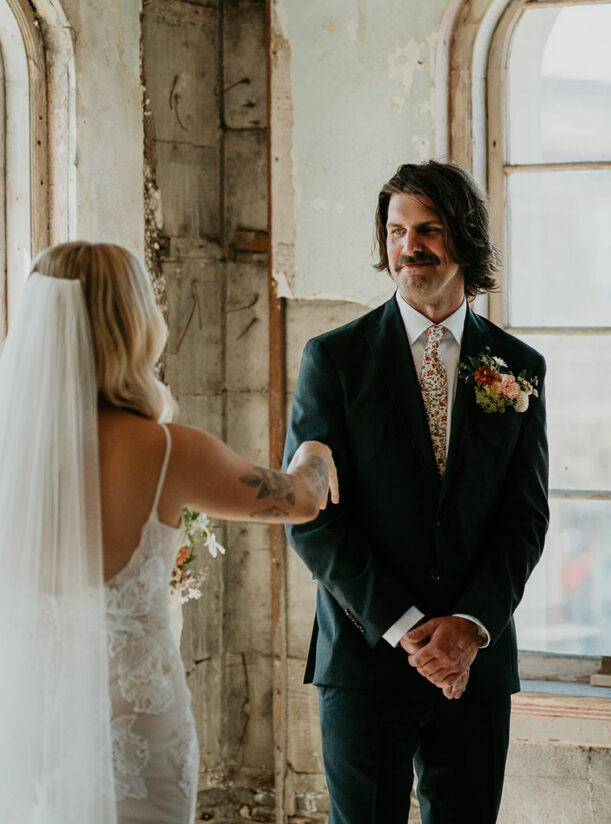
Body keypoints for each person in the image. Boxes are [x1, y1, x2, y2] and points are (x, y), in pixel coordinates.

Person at [0, 241, 337, 824]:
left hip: (33, 719)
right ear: (133, 322)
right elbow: (302, 500)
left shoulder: (13, 456)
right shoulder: (164, 451)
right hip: (135, 723)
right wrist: (316, 449)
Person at [284, 160, 549, 824]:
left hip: (476, 659)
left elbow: (524, 517)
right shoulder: (334, 358)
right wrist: (406, 629)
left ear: (463, 238)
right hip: (364, 654)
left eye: (427, 229)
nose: (408, 246)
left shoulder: (517, 367)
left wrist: (467, 628)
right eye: (396, 230)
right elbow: (313, 521)